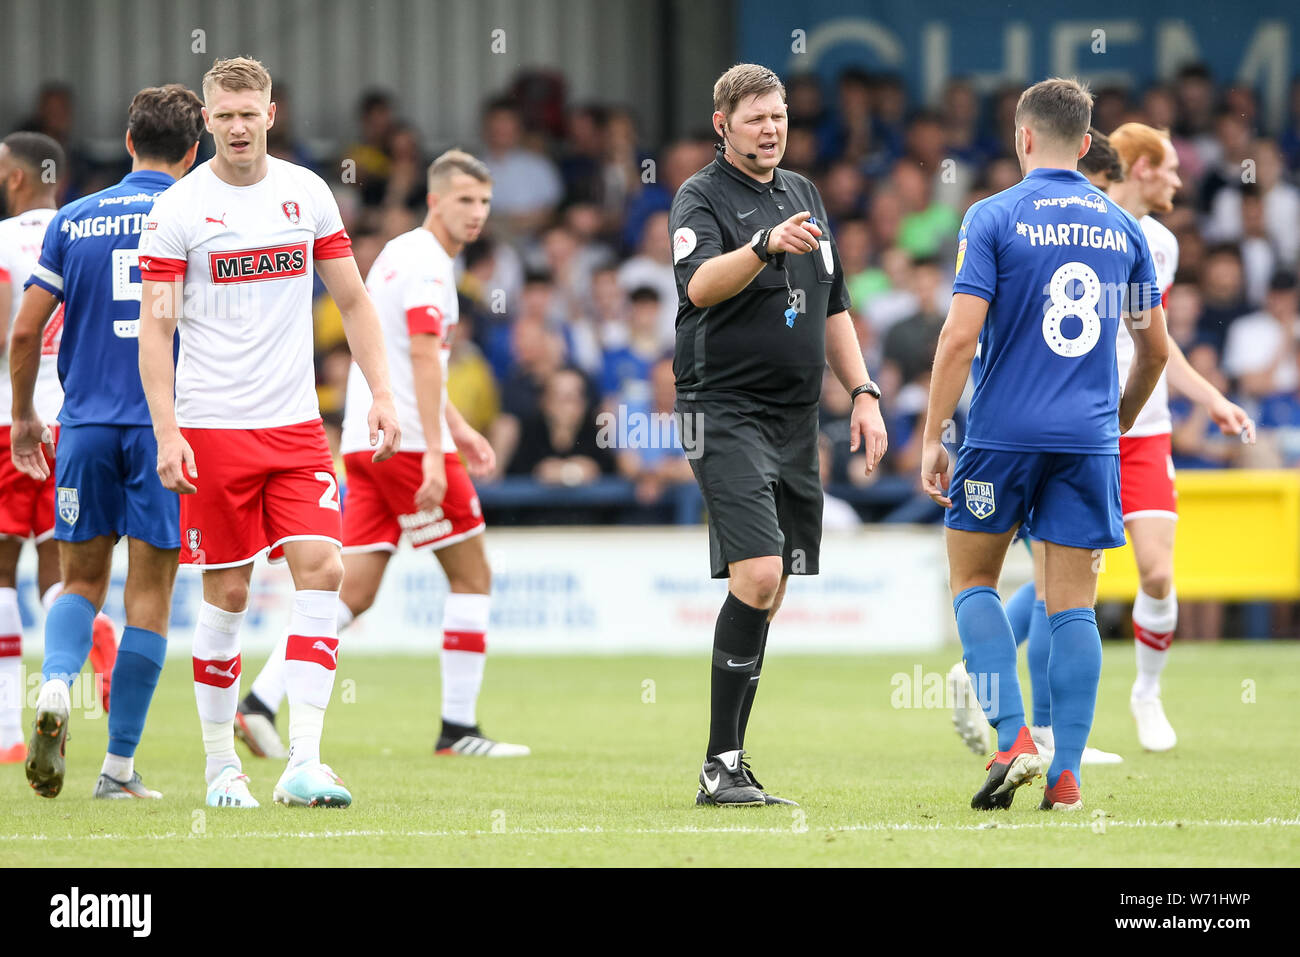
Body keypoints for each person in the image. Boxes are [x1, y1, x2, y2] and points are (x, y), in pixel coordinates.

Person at [136, 57, 399, 809]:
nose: (240, 126)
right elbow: (156, 333)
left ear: (271, 115)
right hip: (213, 429)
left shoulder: (306, 193)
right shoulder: (179, 210)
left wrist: (380, 393)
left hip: (294, 429)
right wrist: (167, 430)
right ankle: (222, 767)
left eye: (251, 113)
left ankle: (305, 762)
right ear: (207, 122)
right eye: (225, 116)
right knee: (228, 593)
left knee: (323, 570)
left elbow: (352, 300)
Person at [920, 78, 1168, 812]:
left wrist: (934, 433)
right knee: (1074, 607)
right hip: (1086, 439)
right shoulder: (1121, 228)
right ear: (1089, 144)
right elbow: (1153, 350)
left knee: (971, 581)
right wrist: (1114, 423)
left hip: (1002, 434)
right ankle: (1068, 776)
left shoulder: (993, 215)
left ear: (1024, 138)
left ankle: (1011, 737)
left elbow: (960, 334)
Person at [236, 149, 528, 760]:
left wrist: (459, 427)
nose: (476, 214)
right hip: (409, 446)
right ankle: (457, 729)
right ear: (435, 200)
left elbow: (405, 356)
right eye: (464, 201)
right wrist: (433, 453)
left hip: (369, 443)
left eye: (483, 203)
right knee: (473, 578)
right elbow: (423, 358)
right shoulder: (429, 267)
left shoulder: (399, 254)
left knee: (354, 592)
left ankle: (260, 700)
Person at [670, 63, 887, 807]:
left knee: (773, 584)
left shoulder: (805, 194)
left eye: (780, 114)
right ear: (722, 123)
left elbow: (833, 309)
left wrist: (861, 392)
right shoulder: (699, 196)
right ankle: (718, 763)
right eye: (756, 116)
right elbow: (698, 287)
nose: (772, 127)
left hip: (795, 418)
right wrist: (763, 245)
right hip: (720, 405)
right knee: (759, 576)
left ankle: (728, 764)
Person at [11, 87, 205, 799]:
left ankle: (57, 685)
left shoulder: (74, 218)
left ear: (128, 142)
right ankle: (118, 769)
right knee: (148, 599)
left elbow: (26, 330)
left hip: (84, 426)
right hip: (165, 431)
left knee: (80, 580)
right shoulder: (200, 218)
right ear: (193, 151)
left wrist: (27, 413)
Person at [0, 132, 118, 759]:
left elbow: (7, 333)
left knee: (0, 572)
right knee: (61, 567)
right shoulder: (81, 232)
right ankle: (96, 628)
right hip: (72, 421)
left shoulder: (3, 240)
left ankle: (8, 736)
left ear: (16, 178)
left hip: (9, 421)